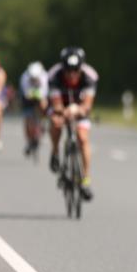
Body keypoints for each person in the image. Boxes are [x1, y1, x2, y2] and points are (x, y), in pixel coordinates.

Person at [47, 47, 98, 201]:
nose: (71, 74)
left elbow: (87, 105)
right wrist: (63, 113)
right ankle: (55, 152)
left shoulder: (90, 76)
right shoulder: (54, 75)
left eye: (75, 70)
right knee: (56, 124)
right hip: (60, 106)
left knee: (82, 138)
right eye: (68, 70)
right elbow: (56, 104)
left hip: (79, 107)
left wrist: (77, 109)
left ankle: (86, 179)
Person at [19, 61, 49, 156]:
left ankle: (43, 121)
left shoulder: (44, 77)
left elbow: (44, 92)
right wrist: (30, 95)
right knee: (28, 119)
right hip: (28, 98)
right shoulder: (24, 77)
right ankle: (29, 141)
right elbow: (25, 92)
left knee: (44, 104)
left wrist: (38, 95)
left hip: (40, 96)